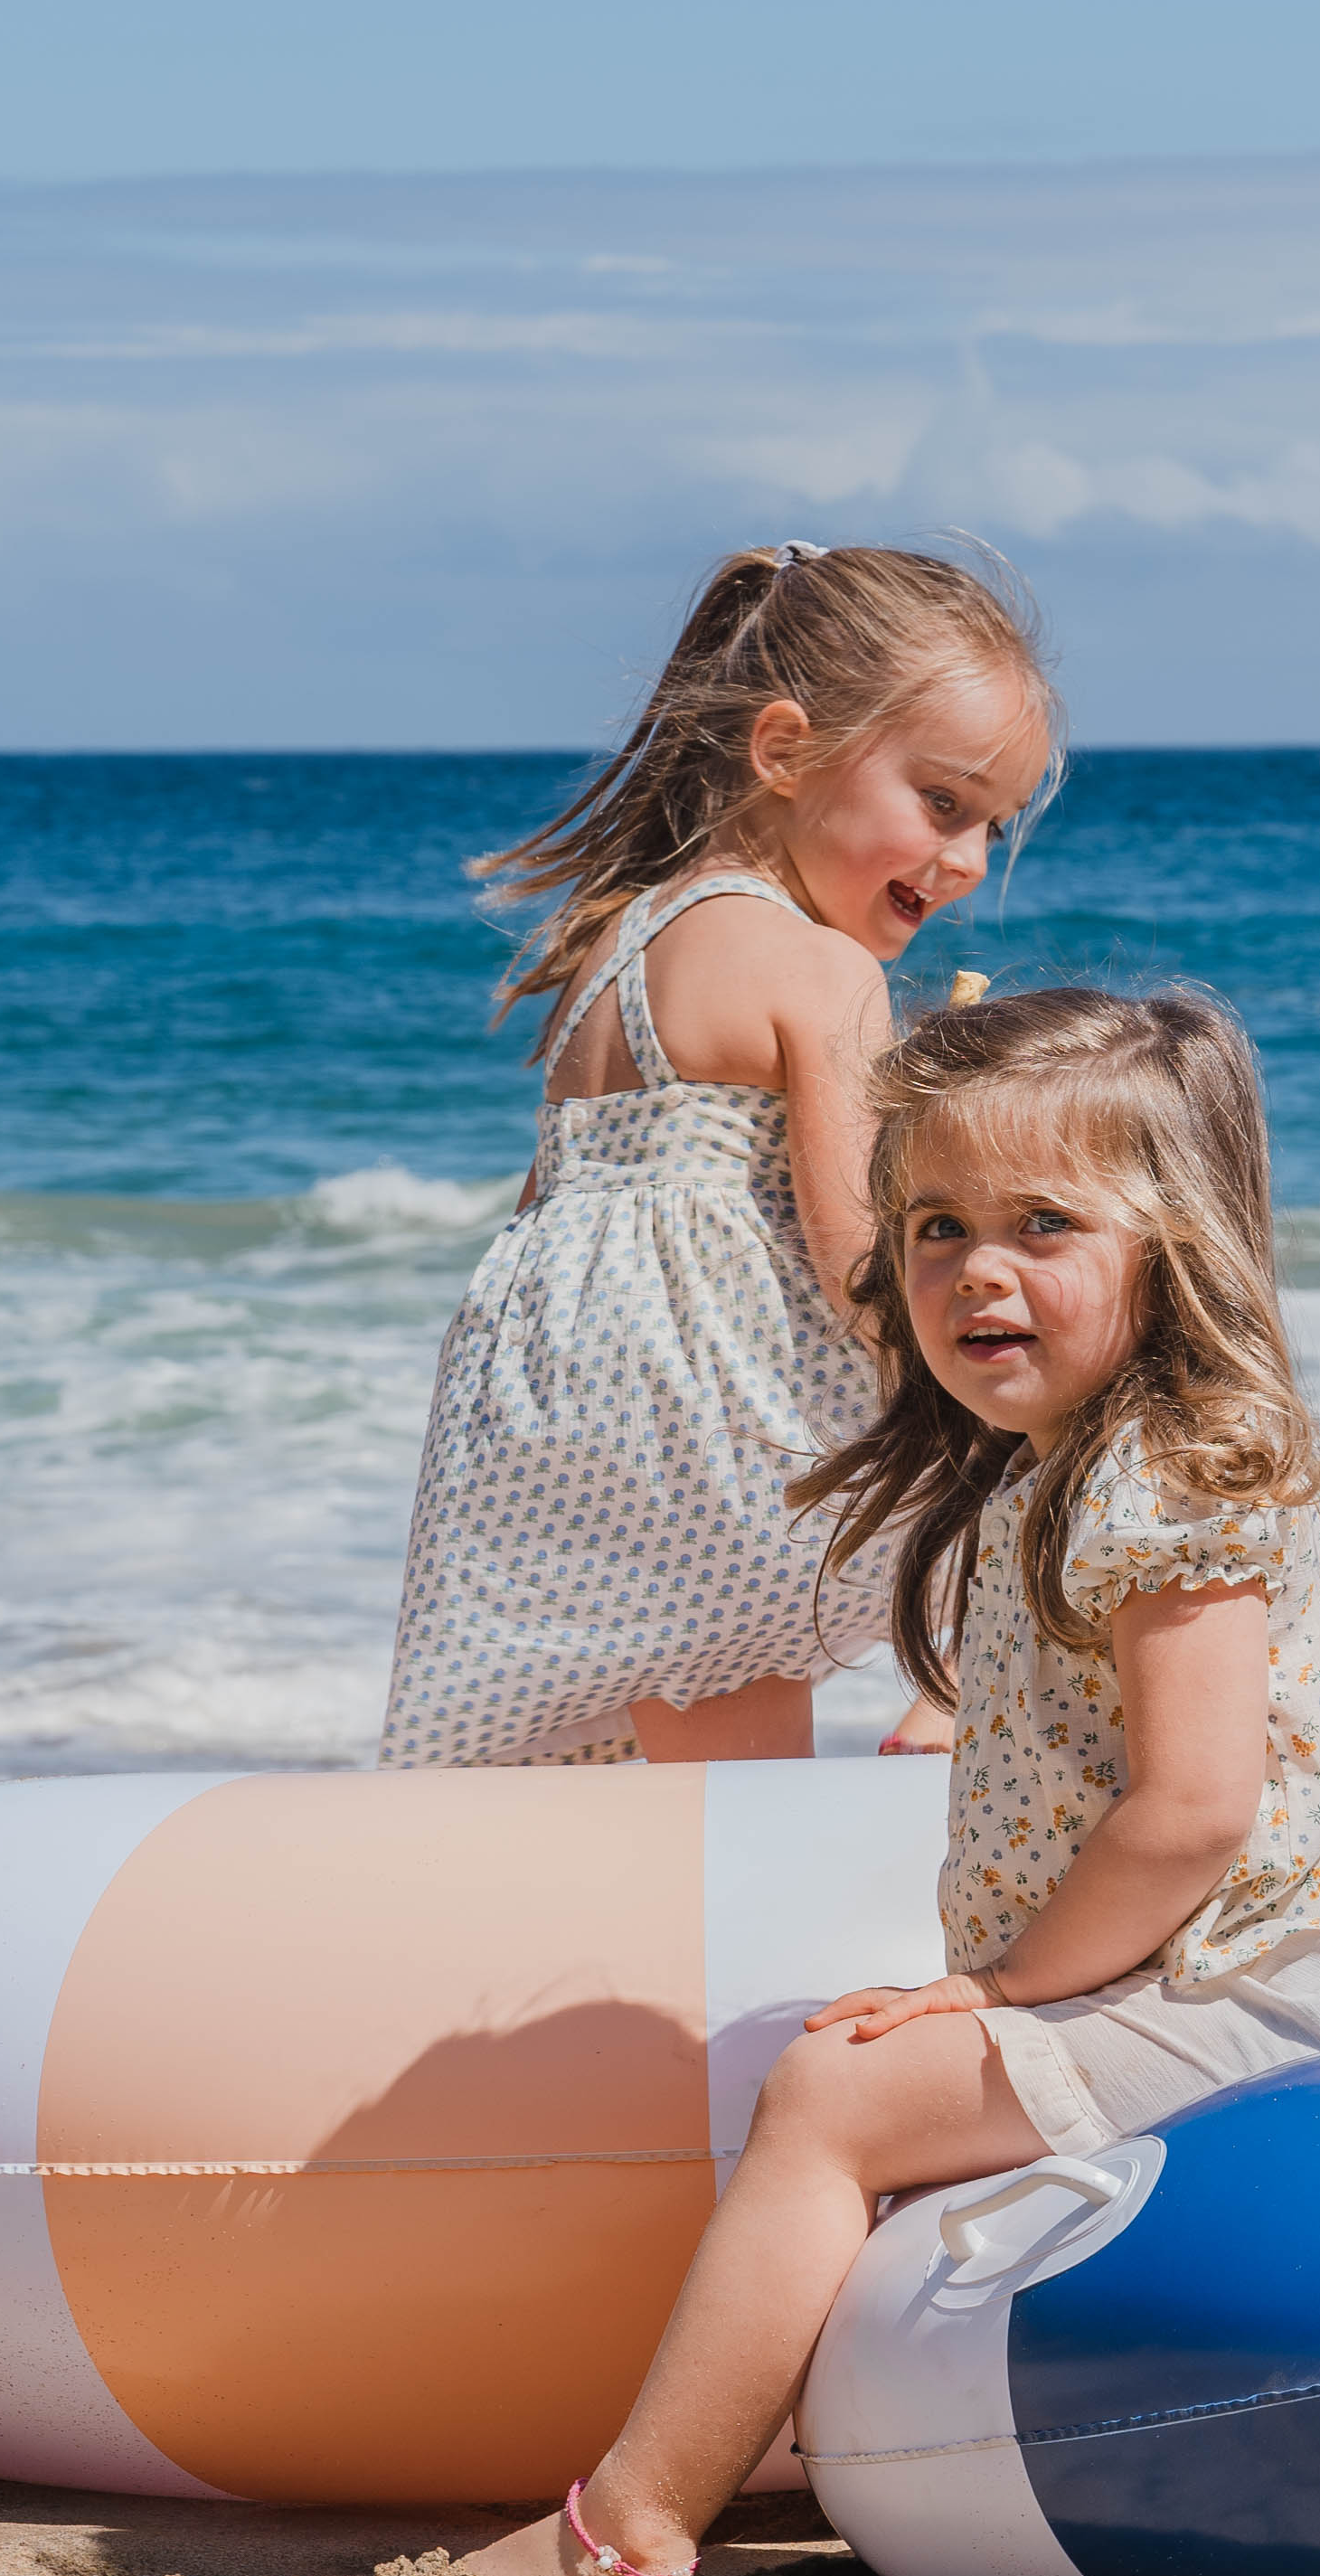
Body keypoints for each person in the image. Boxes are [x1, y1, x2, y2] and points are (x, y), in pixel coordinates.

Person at [464, 986, 1320, 2576]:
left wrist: (991, 1989)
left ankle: (631, 2528)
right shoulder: (1070, 1466)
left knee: (830, 2099)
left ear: (1172, 1248)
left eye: (1041, 1224)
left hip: (1316, 2004)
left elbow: (1194, 1809)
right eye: (934, 1225)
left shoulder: (1164, 1468)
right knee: (869, 2076)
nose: (975, 1268)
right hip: (1265, 1983)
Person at [378, 541, 1052, 1769]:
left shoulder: (615, 953)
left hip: (547, 1437)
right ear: (786, 751)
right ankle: (962, 1686)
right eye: (943, 803)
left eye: (991, 827)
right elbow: (866, 1260)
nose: (963, 861)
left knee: (612, 1771)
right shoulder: (823, 969)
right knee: (1029, 1453)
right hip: (719, 1442)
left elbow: (545, 1220)